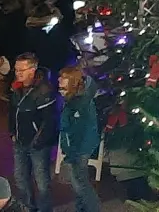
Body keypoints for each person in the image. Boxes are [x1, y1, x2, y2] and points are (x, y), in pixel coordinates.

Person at [8, 55, 58, 212]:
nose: (17, 73)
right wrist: (12, 132)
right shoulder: (17, 87)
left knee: (42, 182)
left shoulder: (44, 91)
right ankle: (28, 208)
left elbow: (50, 121)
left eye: (21, 70)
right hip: (20, 141)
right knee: (20, 178)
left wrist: (38, 142)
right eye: (16, 69)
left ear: (32, 70)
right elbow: (12, 111)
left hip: (38, 145)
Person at [56, 68, 100, 212]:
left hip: (79, 150)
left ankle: (92, 208)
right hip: (77, 149)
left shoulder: (81, 104)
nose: (59, 81)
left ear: (73, 82)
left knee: (80, 184)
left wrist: (72, 154)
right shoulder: (73, 100)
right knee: (79, 183)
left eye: (63, 79)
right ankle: (81, 208)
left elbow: (84, 132)